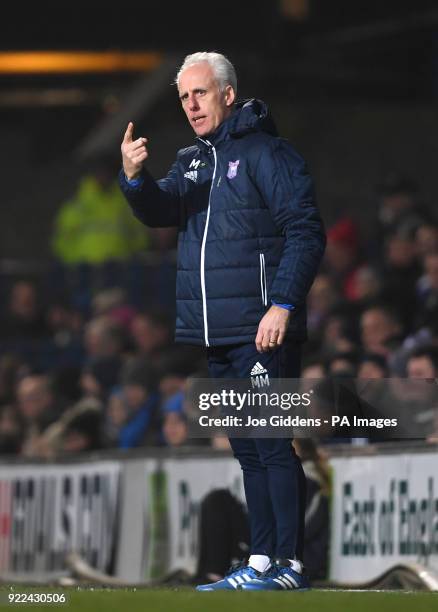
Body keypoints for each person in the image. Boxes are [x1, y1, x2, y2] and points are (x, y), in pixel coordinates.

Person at [119, 51, 325, 591]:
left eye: (201, 93)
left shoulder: (266, 152)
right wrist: (134, 179)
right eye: (183, 96)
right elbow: (163, 211)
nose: (191, 105)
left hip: (263, 326)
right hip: (217, 331)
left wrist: (282, 304)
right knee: (248, 449)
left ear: (228, 94)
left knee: (272, 444)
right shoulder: (193, 159)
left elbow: (305, 230)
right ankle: (260, 562)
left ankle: (290, 566)